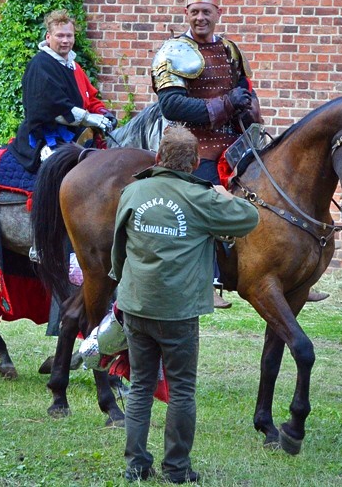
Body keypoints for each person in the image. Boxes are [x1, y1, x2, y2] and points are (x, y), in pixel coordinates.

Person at [150, 0, 329, 304]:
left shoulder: (230, 49)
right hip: (193, 144)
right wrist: (226, 105)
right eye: (194, 12)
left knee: (280, 188)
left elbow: (246, 88)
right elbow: (171, 105)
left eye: (206, 11)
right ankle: (209, 277)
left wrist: (249, 106)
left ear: (218, 13)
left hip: (236, 142)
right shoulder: (174, 51)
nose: (200, 17)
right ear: (185, 13)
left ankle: (294, 273)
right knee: (202, 201)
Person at [112, 126, 258, 483]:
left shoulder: (133, 191)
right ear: (194, 163)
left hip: (135, 304)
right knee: (181, 390)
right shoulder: (201, 198)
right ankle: (176, 468)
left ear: (159, 157)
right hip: (177, 312)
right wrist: (224, 195)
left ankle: (136, 465)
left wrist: (123, 285)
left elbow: (118, 249)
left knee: (142, 386)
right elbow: (249, 218)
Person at [8, 9, 117, 174]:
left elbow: (90, 98)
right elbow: (53, 109)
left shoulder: (74, 66)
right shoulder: (40, 65)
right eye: (60, 35)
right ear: (48, 37)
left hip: (78, 134)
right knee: (57, 171)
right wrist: (90, 119)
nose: (65, 40)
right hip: (45, 137)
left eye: (69, 35)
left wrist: (103, 113)